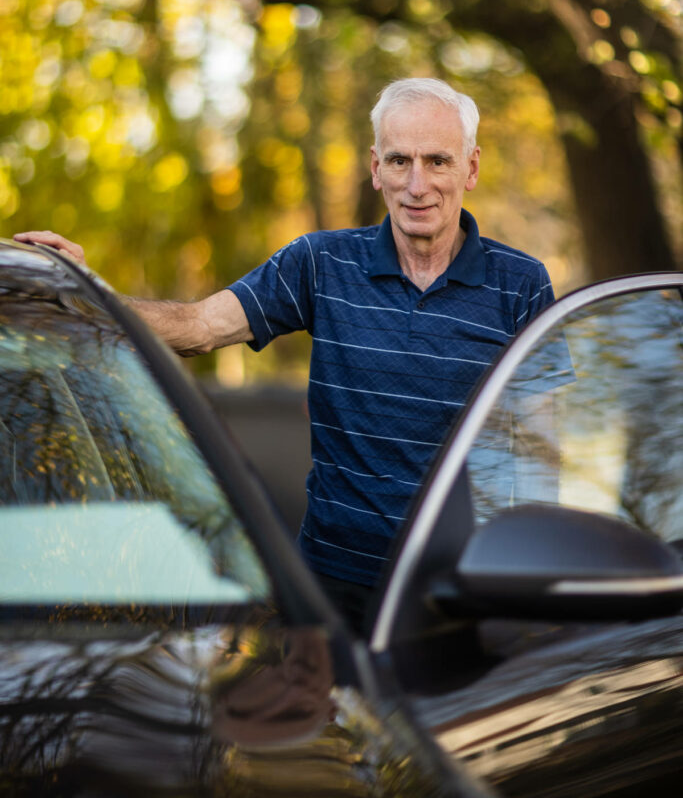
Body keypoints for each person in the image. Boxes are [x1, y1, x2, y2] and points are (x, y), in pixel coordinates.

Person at [15, 77, 556, 634]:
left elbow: (538, 461)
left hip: (459, 599)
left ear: (470, 168)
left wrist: (524, 600)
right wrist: (87, 289)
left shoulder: (522, 285)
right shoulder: (320, 264)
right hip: (329, 598)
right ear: (375, 168)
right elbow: (199, 327)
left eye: (438, 161)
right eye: (399, 161)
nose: (417, 184)